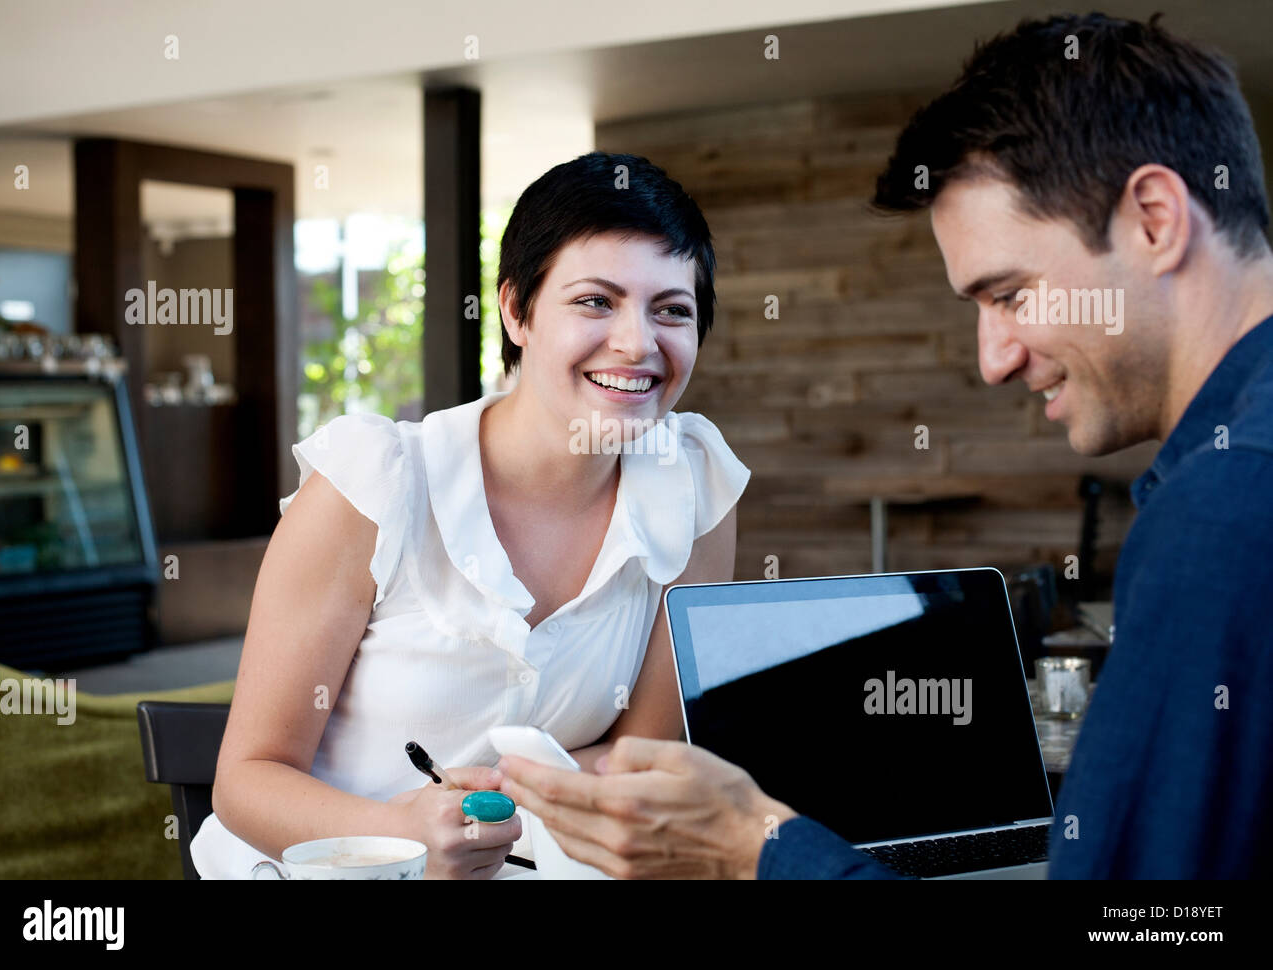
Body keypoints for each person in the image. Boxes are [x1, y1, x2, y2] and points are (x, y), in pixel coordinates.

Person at [497, 12, 1273, 879]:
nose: (994, 359)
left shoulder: (1224, 510)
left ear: (1155, 219)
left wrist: (755, 848)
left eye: (1010, 294)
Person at [189, 151, 749, 878]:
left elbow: (641, 765)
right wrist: (401, 833)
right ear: (516, 310)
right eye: (595, 302)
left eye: (672, 310)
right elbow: (247, 777)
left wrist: (499, 804)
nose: (638, 343)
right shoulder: (374, 485)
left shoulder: (695, 487)